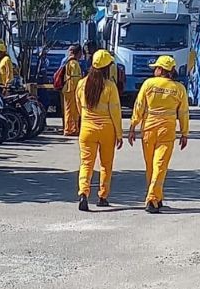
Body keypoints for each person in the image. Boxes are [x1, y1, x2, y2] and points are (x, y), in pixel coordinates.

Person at [128, 55, 189, 212]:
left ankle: (154, 197)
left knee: (150, 166)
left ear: (161, 70)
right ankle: (154, 198)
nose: (154, 70)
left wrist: (133, 126)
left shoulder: (148, 84)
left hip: (148, 129)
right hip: (167, 131)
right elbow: (183, 113)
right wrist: (184, 133)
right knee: (160, 165)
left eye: (156, 68)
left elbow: (139, 105)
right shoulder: (179, 88)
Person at [75, 50, 123, 211]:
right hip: (106, 130)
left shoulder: (82, 83)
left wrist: (85, 121)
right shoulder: (110, 86)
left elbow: (78, 107)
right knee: (106, 165)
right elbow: (115, 112)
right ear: (106, 67)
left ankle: (83, 193)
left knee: (86, 164)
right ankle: (102, 196)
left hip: (87, 128)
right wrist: (119, 134)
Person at [59, 45, 84, 136]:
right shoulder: (73, 62)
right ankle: (69, 129)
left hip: (70, 88)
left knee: (72, 110)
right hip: (71, 89)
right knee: (70, 110)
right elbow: (75, 78)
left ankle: (73, 128)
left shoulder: (68, 61)